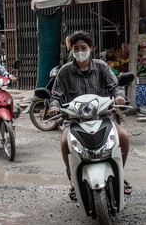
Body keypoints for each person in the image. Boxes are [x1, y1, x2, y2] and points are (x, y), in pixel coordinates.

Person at [47, 30, 131, 200]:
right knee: (65, 143)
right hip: (74, 120)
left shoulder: (102, 67)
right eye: (75, 48)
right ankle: (73, 180)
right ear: (71, 51)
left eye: (83, 47)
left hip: (103, 117)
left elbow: (116, 86)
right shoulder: (64, 71)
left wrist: (120, 96)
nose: (80, 51)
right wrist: (54, 107)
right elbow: (56, 95)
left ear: (92, 48)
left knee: (123, 137)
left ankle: (119, 175)